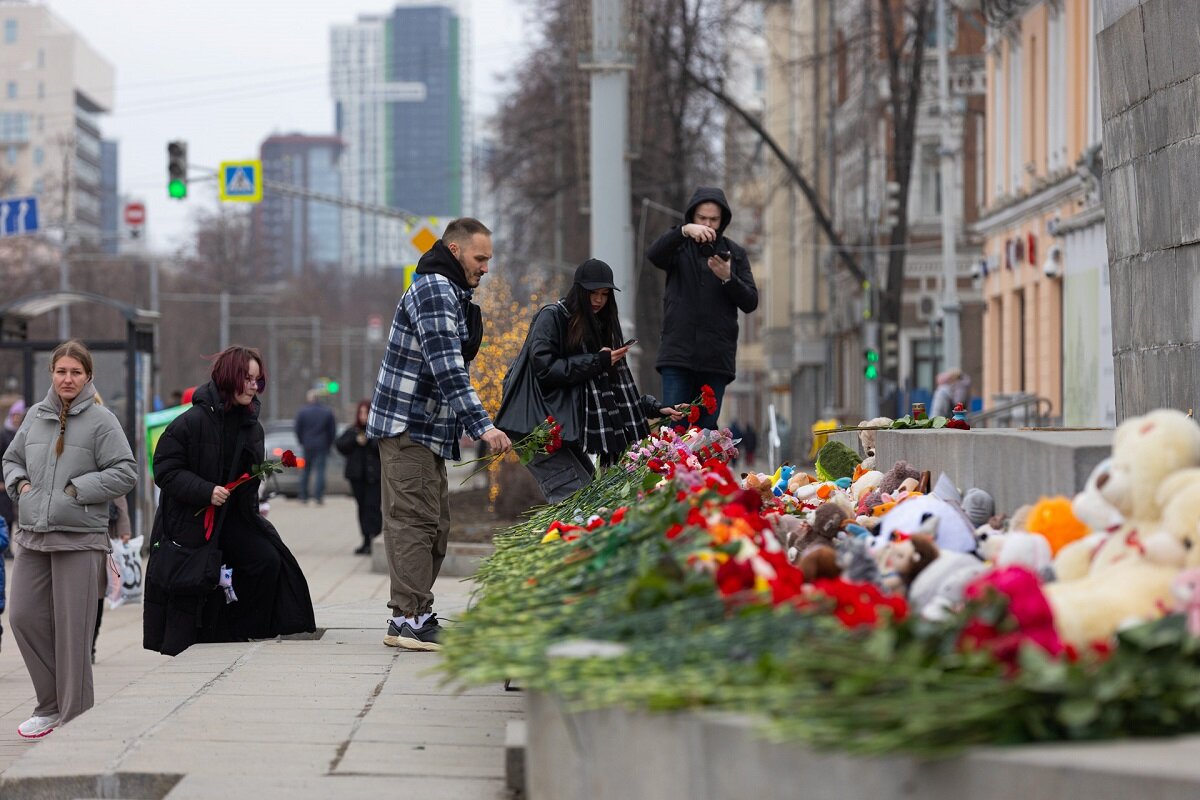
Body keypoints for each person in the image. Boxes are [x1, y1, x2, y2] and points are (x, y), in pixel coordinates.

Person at [368, 217, 511, 652]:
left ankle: (415, 613)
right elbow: (446, 365)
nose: (486, 267)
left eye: (489, 258)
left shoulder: (454, 292)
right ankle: (409, 618)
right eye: (479, 257)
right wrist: (482, 425)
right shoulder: (434, 288)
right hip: (407, 426)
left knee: (436, 526)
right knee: (413, 522)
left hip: (428, 431)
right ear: (454, 251)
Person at [2, 340, 137, 738]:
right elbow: (11, 459)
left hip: (79, 538)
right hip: (32, 535)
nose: (67, 378)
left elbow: (125, 471)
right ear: (51, 374)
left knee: (73, 630)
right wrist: (21, 485)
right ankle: (50, 704)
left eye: (76, 372)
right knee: (23, 616)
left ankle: (74, 719)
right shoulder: (34, 416)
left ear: (88, 377)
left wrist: (78, 489)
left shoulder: (102, 420)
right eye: (61, 371)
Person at [143, 345, 315, 657]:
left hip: (235, 519)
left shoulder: (252, 427)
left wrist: (255, 512)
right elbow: (165, 470)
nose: (253, 386)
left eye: (258, 381)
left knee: (268, 560)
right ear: (229, 378)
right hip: (191, 523)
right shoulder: (191, 422)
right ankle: (198, 644)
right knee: (196, 584)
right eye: (248, 379)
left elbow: (249, 480)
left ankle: (241, 630)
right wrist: (205, 490)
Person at [496, 259, 684, 504]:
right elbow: (545, 369)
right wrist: (596, 361)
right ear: (578, 291)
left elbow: (606, 394)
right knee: (576, 501)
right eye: (592, 293)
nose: (598, 300)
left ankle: (567, 540)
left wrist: (652, 408)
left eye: (604, 294)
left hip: (562, 427)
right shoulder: (552, 317)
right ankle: (567, 541)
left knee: (588, 499)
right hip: (535, 426)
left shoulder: (595, 328)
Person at [646, 186, 758, 429]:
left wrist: (728, 278)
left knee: (705, 432)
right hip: (677, 354)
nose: (708, 224)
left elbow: (750, 301)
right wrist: (684, 231)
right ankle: (673, 470)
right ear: (692, 217)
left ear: (723, 220)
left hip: (716, 358)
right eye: (702, 219)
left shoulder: (734, 253)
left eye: (714, 219)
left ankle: (705, 469)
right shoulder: (678, 247)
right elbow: (654, 254)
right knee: (673, 429)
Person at [336, 400, 382, 556]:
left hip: (374, 478)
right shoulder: (353, 431)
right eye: (361, 413)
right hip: (358, 478)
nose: (363, 416)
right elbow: (341, 445)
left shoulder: (377, 432)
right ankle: (366, 539)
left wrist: (370, 439)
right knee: (362, 508)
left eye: (366, 413)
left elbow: (381, 450)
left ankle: (376, 537)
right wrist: (355, 440)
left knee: (373, 508)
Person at [293, 390, 336, 504]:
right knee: (320, 471)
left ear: (309, 399)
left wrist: (302, 441)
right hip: (322, 444)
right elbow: (332, 431)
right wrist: (328, 443)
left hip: (307, 444)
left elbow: (297, 429)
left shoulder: (302, 412)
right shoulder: (327, 412)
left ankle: (303, 496)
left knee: (305, 471)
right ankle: (318, 496)